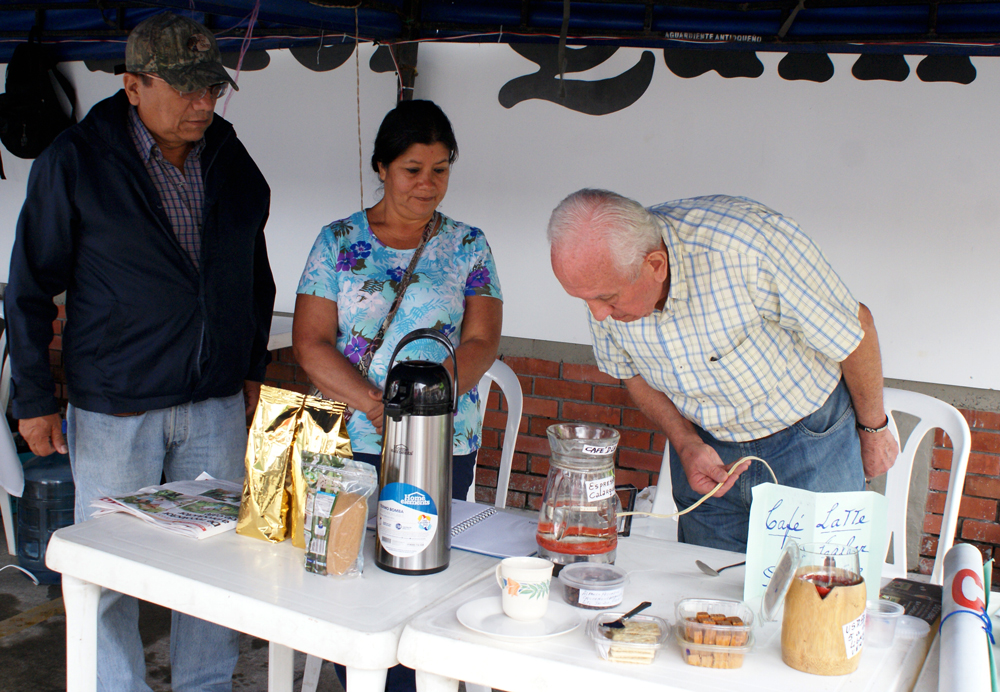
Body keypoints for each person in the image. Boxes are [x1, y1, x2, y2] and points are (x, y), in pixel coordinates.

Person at [5, 12, 275, 692]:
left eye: (211, 88)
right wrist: (35, 399)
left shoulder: (230, 158)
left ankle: (205, 683)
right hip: (116, 410)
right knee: (107, 572)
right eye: (184, 89)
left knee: (217, 566)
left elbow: (254, 274)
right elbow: (31, 287)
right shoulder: (77, 161)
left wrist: (248, 368)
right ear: (132, 85)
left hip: (213, 405)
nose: (202, 103)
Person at [547, 190, 898, 552]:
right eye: (584, 300)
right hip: (705, 452)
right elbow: (631, 371)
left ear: (656, 265)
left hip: (808, 442)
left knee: (821, 590)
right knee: (708, 589)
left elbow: (856, 331)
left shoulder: (746, 249)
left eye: (606, 298)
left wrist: (873, 429)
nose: (597, 314)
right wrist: (685, 443)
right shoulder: (606, 280)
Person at [293, 98, 502, 691]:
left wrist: (428, 405)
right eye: (413, 169)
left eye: (440, 169)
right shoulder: (337, 242)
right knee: (342, 574)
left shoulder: (468, 245)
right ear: (382, 167)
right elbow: (311, 344)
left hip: (439, 439)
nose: (427, 184)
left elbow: (483, 339)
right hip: (349, 439)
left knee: (422, 573)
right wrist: (375, 405)